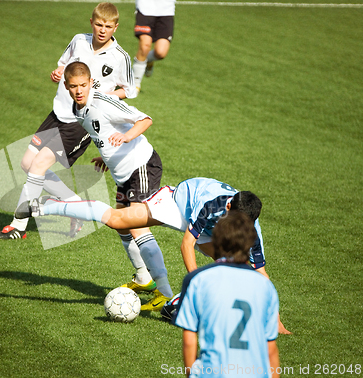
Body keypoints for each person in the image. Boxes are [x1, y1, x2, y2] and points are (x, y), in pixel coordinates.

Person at [21, 176, 290, 333]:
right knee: (117, 220)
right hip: (178, 203)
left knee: (234, 265)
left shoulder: (250, 228)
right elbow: (186, 245)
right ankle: (49, 206)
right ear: (229, 206)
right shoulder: (213, 204)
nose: (242, 228)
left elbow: (261, 273)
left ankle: (175, 304)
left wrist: (276, 320)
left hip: (210, 231)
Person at [0, 2, 137, 240]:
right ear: (92, 22)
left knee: (38, 167)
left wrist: (104, 96)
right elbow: (63, 64)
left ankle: (18, 225)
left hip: (80, 123)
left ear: (116, 27)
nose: (102, 30)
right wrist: (57, 72)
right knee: (27, 164)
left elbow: (130, 90)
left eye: (108, 26)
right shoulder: (79, 40)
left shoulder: (121, 57)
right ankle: (76, 207)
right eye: (99, 24)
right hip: (57, 113)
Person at [61, 61, 173, 310]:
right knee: (121, 227)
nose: (79, 90)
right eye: (73, 86)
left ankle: (166, 294)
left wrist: (126, 136)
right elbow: (102, 131)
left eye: (83, 85)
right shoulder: (77, 108)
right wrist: (107, 155)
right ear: (66, 87)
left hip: (141, 166)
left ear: (91, 82)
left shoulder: (102, 101)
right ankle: (144, 279)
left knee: (135, 227)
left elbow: (145, 120)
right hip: (122, 172)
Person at [173, 211, 280, 378]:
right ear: (251, 243)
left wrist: (190, 374)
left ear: (216, 240)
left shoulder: (197, 279)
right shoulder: (266, 286)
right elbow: (271, 349)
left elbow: (189, 340)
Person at [132, 0, 176, 94]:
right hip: (145, 8)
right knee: (145, 46)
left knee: (161, 53)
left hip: (166, 10)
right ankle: (135, 83)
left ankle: (146, 60)